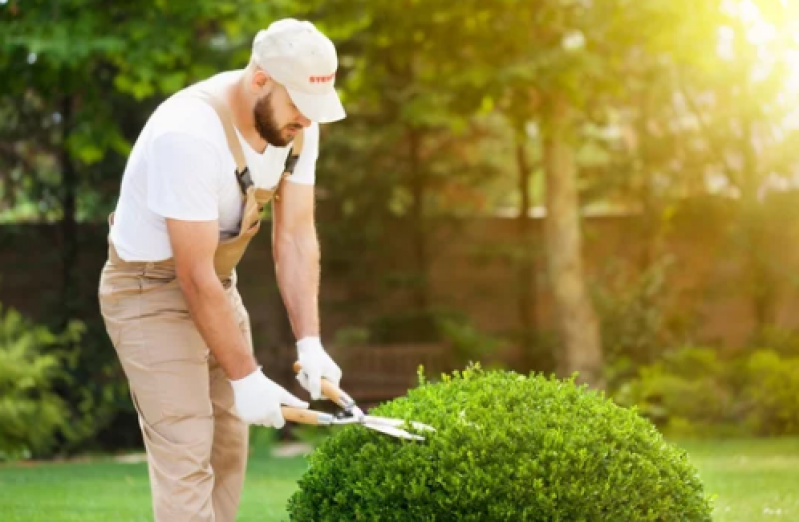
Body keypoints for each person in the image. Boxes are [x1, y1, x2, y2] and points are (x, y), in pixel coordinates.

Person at [98, 18, 344, 522]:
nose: (307, 121)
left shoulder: (298, 129)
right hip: (149, 292)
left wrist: (310, 342)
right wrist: (247, 376)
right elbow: (191, 275)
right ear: (259, 79)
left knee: (227, 449)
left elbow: (295, 236)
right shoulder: (187, 134)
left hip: (217, 285)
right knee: (187, 449)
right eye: (298, 104)